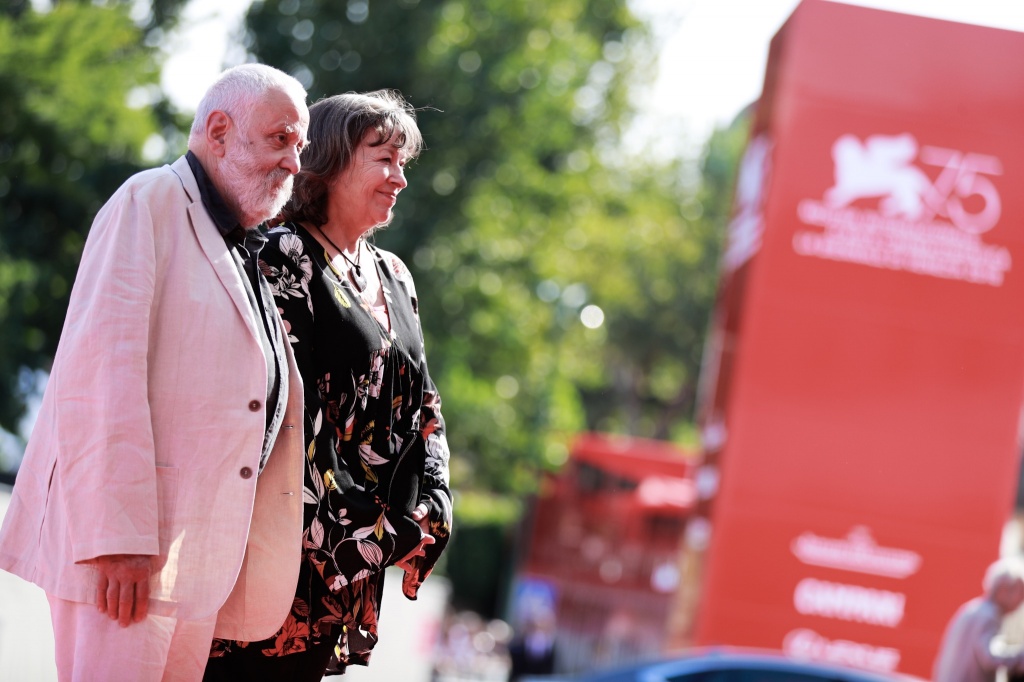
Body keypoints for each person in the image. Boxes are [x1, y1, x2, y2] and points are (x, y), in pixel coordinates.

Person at [0, 63, 310, 681]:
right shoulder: (147, 202)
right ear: (218, 131)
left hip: (184, 566)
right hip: (127, 560)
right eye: (281, 139)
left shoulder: (233, 237)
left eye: (299, 146)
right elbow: (100, 378)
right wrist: (118, 539)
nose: (295, 164)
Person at [203, 89, 453, 680]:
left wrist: (433, 501)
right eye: (383, 159)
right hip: (286, 551)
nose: (400, 178)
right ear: (333, 161)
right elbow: (289, 413)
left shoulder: (395, 274)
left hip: (359, 558)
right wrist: (372, 529)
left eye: (403, 163)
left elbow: (424, 404)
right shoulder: (283, 253)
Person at [933, 557, 1024, 682]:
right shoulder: (989, 616)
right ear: (1003, 590)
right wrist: (1020, 657)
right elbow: (989, 657)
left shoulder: (974, 609)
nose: (1022, 600)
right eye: (1021, 592)